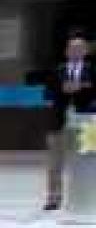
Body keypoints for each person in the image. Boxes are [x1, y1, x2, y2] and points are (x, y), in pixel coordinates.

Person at [43, 37, 94, 210]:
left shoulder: (92, 70)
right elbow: (47, 93)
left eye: (80, 49)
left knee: (86, 161)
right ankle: (54, 197)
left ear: (86, 52)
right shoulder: (57, 70)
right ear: (66, 51)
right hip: (59, 122)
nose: (76, 52)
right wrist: (61, 89)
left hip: (86, 124)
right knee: (55, 162)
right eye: (72, 49)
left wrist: (81, 87)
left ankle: (86, 197)